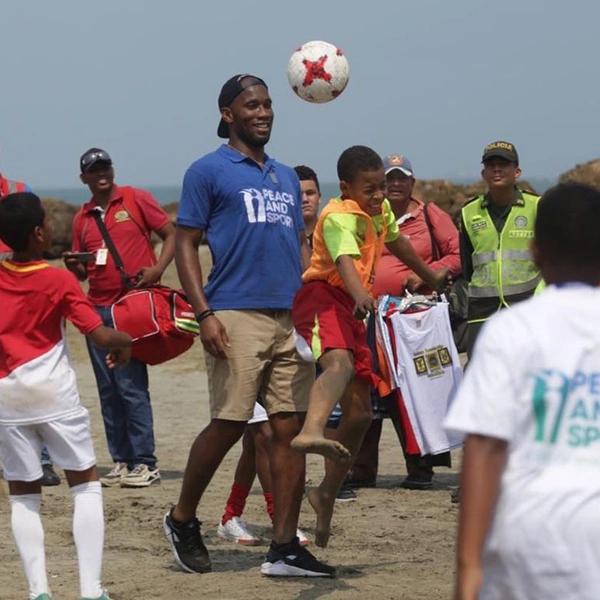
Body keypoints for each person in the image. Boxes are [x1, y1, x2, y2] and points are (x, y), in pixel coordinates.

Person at [163, 74, 334, 578]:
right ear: (228, 115)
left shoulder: (283, 174)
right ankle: (182, 518)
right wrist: (205, 313)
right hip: (233, 312)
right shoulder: (207, 171)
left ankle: (283, 547)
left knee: (289, 430)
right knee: (230, 423)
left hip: (290, 314)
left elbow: (296, 248)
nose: (263, 112)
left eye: (267, 104)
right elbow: (185, 243)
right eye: (251, 105)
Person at [445, 182, 600, 600]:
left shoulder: (510, 331)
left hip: (529, 539)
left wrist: (469, 573)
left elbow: (484, 448)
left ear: (535, 253)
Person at [291, 145, 450, 548]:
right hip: (323, 298)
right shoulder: (338, 216)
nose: (380, 195)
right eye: (370, 189)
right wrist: (363, 294)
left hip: (354, 308)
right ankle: (311, 430)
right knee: (339, 365)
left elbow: (399, 245)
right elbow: (345, 261)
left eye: (382, 187)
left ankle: (327, 490)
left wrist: (430, 275)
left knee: (362, 413)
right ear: (346, 187)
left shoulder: (379, 214)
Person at [0, 192, 132, 600]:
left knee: (23, 494)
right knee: (85, 485)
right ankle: (90, 591)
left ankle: (39, 592)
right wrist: (125, 341)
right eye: (48, 222)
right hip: (53, 395)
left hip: (7, 397)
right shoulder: (58, 279)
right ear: (39, 233)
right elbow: (97, 333)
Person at [217, 164, 322, 545]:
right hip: (255, 333)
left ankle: (232, 514)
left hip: (299, 341)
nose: (304, 198)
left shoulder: (325, 235)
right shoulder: (271, 230)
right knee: (262, 434)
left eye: (310, 192)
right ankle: (282, 523)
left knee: (262, 438)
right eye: (300, 193)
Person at [349, 154, 462, 491]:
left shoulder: (429, 215)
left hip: (413, 318)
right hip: (368, 315)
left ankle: (420, 468)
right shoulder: (365, 216)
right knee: (367, 389)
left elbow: (457, 255)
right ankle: (362, 469)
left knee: (412, 392)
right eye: (389, 179)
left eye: (402, 178)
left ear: (412, 182)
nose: (395, 185)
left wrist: (424, 273)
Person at [64, 148, 175, 488]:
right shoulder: (82, 218)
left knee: (130, 386)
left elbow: (172, 235)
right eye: (94, 170)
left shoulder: (136, 199)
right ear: (83, 178)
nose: (102, 174)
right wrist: (74, 266)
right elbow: (85, 274)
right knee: (108, 390)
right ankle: (122, 460)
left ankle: (145, 462)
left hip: (130, 307)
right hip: (97, 311)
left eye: (106, 166)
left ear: (113, 169)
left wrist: (157, 269)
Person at [0, 150, 61, 488]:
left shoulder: (17, 189)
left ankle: (44, 461)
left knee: (34, 382)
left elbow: (37, 240)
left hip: (25, 302)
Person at [460, 141, 540, 357]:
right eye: (491, 164)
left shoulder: (536, 208)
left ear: (517, 171)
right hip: (482, 311)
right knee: (481, 372)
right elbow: (467, 266)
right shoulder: (469, 213)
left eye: (503, 164)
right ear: (483, 173)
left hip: (526, 307)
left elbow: (553, 259)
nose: (496, 169)